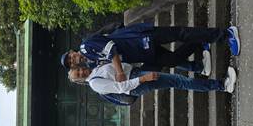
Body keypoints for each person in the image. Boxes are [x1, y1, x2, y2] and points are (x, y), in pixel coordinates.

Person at [61, 24, 241, 81]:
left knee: (180, 33)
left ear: (72, 52)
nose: (73, 59)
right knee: (171, 60)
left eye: (70, 56)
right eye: (71, 63)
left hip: (140, 39)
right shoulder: (91, 61)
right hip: (140, 54)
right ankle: (201, 40)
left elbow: (111, 49)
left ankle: (225, 35)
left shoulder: (86, 46)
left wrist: (120, 72)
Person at [67, 62, 237, 97]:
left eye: (79, 70)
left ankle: (220, 85)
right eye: (79, 75)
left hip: (136, 73)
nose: (81, 72)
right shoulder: (95, 83)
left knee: (178, 81)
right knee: (179, 81)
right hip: (137, 81)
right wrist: (143, 79)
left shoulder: (95, 69)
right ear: (80, 81)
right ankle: (222, 85)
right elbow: (120, 87)